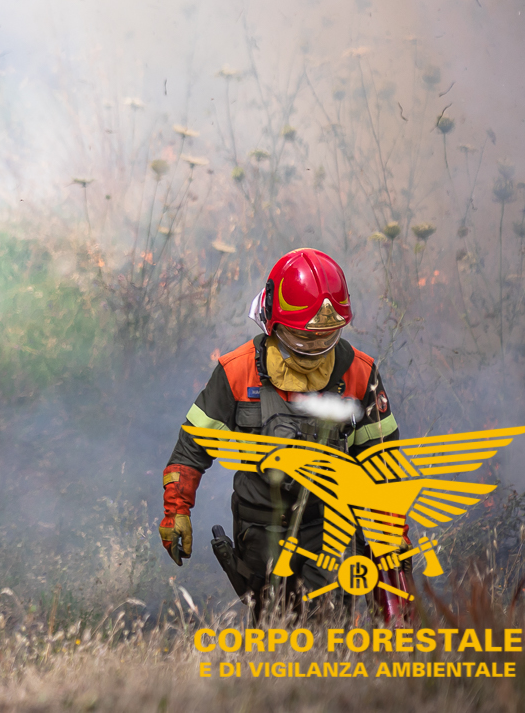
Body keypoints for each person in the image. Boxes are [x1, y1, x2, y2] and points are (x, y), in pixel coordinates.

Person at [159, 248, 400, 619]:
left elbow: (384, 469)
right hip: (260, 530)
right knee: (273, 624)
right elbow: (192, 449)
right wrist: (176, 510)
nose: (316, 347)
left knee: (328, 627)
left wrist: (391, 545)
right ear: (272, 322)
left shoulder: (359, 374)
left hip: (330, 527)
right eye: (305, 337)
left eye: (326, 337)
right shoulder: (237, 373)